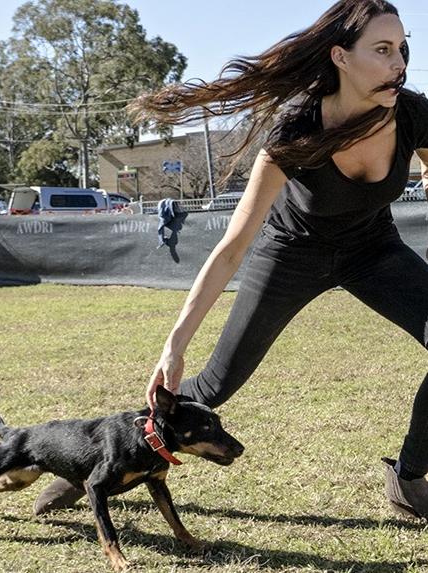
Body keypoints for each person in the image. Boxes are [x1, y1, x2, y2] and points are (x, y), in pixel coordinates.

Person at [33, 0, 428, 518]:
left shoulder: (414, 113)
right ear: (340, 57)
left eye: (403, 49)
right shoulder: (295, 131)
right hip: (291, 253)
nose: (398, 62)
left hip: (373, 249)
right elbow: (231, 248)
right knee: (215, 387)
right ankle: (101, 459)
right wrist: (174, 346)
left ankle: (410, 476)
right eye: (381, 50)